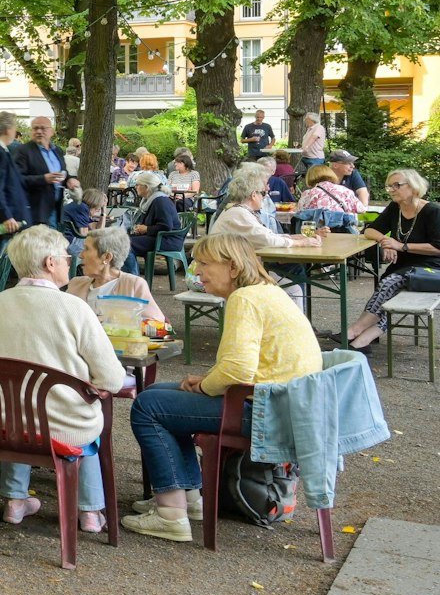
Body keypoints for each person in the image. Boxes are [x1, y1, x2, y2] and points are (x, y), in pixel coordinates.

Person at [125, 234, 321, 541]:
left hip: (265, 411)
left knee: (147, 407)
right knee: (155, 394)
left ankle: (170, 515)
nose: (196, 271)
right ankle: (188, 498)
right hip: (285, 404)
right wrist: (205, 382)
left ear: (231, 267)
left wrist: (204, 386)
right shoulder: (265, 290)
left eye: (204, 263)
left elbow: (237, 370)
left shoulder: (244, 299)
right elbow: (248, 364)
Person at [0, 226, 125, 533]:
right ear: (50, 262)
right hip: (62, 426)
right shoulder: (76, 308)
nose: (70, 261)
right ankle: (89, 511)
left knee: (17, 402)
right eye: (65, 256)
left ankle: (14, 500)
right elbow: (112, 380)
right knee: (87, 416)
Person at [344, 167, 440, 354]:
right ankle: (363, 340)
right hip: (403, 266)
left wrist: (401, 246)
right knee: (386, 290)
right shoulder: (395, 208)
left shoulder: (432, 211)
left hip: (431, 268)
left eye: (397, 185)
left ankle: (355, 332)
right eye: (389, 186)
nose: (392, 189)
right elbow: (369, 230)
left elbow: (438, 248)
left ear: (413, 187)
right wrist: (386, 242)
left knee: (389, 283)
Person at [66, 227, 166, 324]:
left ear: (107, 257)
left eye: (86, 249)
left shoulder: (133, 285)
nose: (81, 255)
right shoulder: (76, 284)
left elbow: (156, 323)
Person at [213, 164, 312, 249]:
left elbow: (265, 234)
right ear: (253, 195)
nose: (266, 194)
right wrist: (300, 242)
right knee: (295, 268)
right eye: (263, 193)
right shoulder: (239, 213)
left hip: (233, 261)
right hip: (227, 265)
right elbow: (267, 240)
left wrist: (292, 238)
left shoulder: (239, 209)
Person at [14, 116, 70, 228]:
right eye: (35, 128)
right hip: (34, 211)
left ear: (51, 131)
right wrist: (43, 179)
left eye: (43, 128)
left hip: (55, 208)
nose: (39, 131)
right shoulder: (23, 151)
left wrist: (70, 180)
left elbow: (63, 173)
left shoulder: (57, 150)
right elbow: (16, 179)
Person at [125, 170, 183, 264]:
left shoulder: (160, 201)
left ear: (146, 187)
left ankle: (132, 276)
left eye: (138, 185)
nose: (135, 187)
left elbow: (166, 226)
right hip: (158, 237)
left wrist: (146, 229)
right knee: (121, 239)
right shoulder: (150, 200)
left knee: (124, 245)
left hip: (167, 240)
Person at [299, 163, 363, 231]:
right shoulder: (345, 191)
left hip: (318, 233)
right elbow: (361, 209)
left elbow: (300, 213)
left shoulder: (307, 194)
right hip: (345, 233)